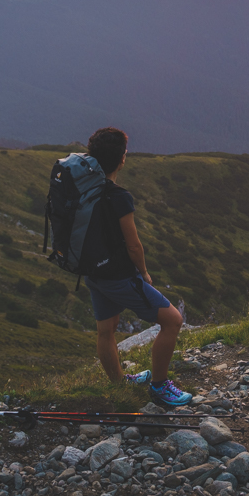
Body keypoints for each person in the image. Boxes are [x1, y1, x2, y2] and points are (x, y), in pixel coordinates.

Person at [83, 127, 193, 408]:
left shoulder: (83, 188)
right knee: (172, 321)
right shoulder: (118, 197)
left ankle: (120, 383)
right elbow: (133, 246)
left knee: (106, 329)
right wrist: (143, 272)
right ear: (121, 159)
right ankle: (159, 387)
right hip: (118, 275)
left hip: (92, 271)